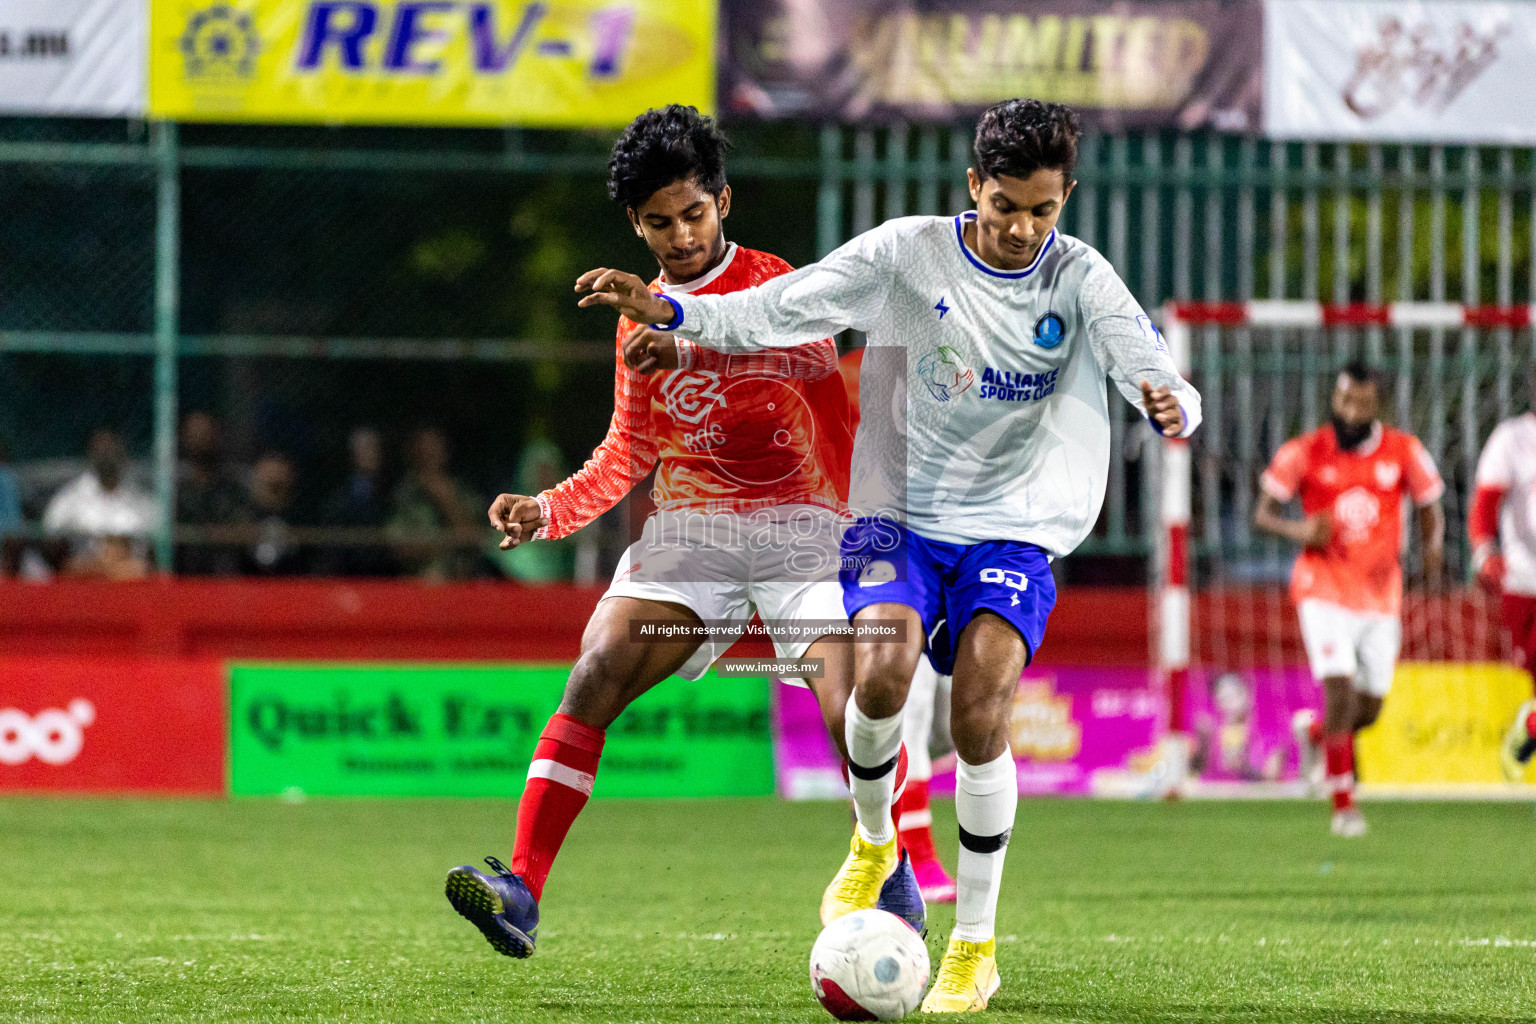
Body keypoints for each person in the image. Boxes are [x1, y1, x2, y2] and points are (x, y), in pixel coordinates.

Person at [576, 98, 1200, 1012]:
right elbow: (781, 306)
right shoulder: (907, 254)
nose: (1024, 227)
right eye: (1006, 206)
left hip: (1011, 527)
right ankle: (876, 841)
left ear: (1064, 198)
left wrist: (1174, 399)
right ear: (973, 187)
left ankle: (974, 947)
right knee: (881, 675)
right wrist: (673, 307)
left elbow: (1147, 361)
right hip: (895, 509)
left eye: (1044, 209)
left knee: (983, 711)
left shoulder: (1079, 279)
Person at [442, 104, 924, 964]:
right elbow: (629, 450)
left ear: (724, 202)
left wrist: (687, 337)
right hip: (695, 528)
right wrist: (546, 510)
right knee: (597, 667)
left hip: (807, 524)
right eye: (659, 222)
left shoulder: (777, 279)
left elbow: (810, 362)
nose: (680, 235)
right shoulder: (636, 316)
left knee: (848, 705)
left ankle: (887, 869)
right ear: (636, 223)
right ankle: (521, 887)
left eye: (693, 214)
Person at [1255, 362, 1444, 837]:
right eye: (1343, 400)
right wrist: (1300, 529)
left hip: (1380, 593)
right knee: (1338, 691)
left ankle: (1316, 735)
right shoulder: (1305, 450)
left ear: (1376, 404)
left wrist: (1433, 556)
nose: (1350, 410)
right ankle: (1344, 805)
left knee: (1369, 710)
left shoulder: (1404, 450)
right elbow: (1264, 513)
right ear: (1333, 399)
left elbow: (1431, 507)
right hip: (1322, 586)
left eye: (1361, 402)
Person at [1468, 378, 1536, 780]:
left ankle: (1529, 727)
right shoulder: (1512, 438)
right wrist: (1483, 552)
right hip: (1526, 582)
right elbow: (1485, 502)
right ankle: (1528, 729)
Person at [42, 428, 157, 580]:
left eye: (111, 448)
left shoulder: (144, 502)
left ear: (123, 452)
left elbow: (153, 559)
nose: (106, 454)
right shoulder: (68, 499)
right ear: (90, 454)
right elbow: (51, 545)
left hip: (130, 584)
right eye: (100, 449)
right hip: (82, 584)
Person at [388, 426, 483, 581]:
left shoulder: (464, 493)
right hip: (416, 585)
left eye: (434, 450)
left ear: (445, 453)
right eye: (423, 451)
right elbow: (398, 547)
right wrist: (445, 543)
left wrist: (446, 501)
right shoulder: (403, 496)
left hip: (462, 584)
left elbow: (476, 540)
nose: (429, 456)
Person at [316, 426, 397, 577]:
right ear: (353, 454)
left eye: (375, 448)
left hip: (385, 577)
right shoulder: (338, 500)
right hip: (349, 576)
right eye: (365, 448)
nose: (372, 454)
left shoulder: (393, 493)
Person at [175, 411, 247, 576]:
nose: (200, 439)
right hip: (184, 575)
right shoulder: (176, 492)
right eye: (195, 433)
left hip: (225, 576)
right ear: (184, 439)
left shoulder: (233, 489)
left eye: (205, 433)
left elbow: (243, 531)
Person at [240, 451, 308, 576]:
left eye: (278, 486)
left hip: (293, 582)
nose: (274, 476)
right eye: (268, 485)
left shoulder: (303, 518)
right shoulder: (242, 518)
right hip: (247, 582)